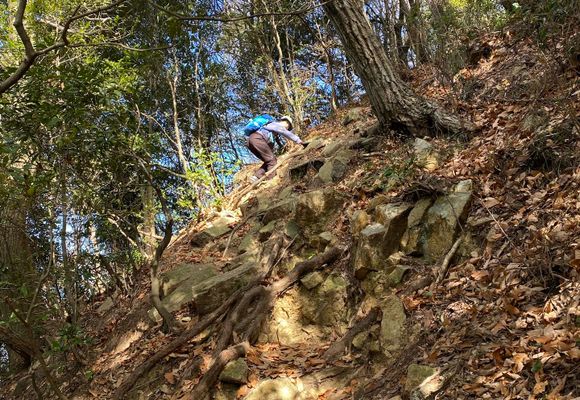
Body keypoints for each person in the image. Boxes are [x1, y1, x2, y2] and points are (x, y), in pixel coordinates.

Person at [246, 115, 307, 181]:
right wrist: (299, 141)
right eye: (288, 127)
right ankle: (270, 180)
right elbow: (286, 133)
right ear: (287, 123)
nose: (287, 129)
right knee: (272, 161)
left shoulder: (271, 129)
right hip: (257, 139)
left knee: (268, 160)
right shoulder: (277, 125)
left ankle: (256, 177)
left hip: (250, 141)